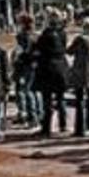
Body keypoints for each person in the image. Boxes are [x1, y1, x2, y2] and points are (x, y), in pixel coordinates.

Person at [33, 8, 69, 138]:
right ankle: (63, 124)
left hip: (48, 68)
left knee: (47, 99)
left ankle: (46, 127)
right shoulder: (63, 33)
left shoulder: (46, 34)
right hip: (61, 67)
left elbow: (38, 49)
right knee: (60, 98)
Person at [67, 17, 89, 137]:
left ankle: (80, 128)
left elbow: (69, 51)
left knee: (80, 100)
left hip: (81, 72)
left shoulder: (81, 39)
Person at [12, 14, 41, 129]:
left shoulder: (25, 36)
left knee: (26, 91)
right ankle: (37, 114)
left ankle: (31, 116)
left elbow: (24, 51)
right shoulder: (35, 35)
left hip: (25, 66)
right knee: (33, 91)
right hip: (33, 65)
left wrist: (18, 57)